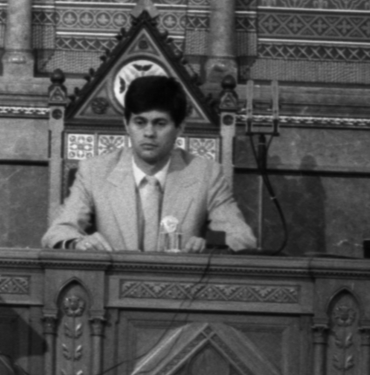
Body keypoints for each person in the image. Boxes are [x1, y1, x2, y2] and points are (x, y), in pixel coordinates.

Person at [42, 75, 257, 252]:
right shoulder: (94, 171)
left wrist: (209, 247)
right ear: (126, 124)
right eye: (140, 122)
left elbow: (242, 237)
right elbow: (57, 232)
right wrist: (79, 243)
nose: (149, 133)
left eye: (160, 123)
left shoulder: (206, 174)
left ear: (180, 128)